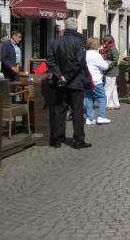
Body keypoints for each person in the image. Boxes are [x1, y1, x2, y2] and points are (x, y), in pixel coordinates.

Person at [47, 17, 92, 149]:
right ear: (76, 28)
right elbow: (79, 63)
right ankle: (78, 140)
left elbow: (50, 61)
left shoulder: (56, 41)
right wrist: (66, 77)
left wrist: (60, 76)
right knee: (77, 111)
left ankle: (57, 138)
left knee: (59, 110)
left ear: (65, 28)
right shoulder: (79, 42)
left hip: (61, 82)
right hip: (75, 82)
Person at [84, 37, 111, 125]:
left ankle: (89, 118)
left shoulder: (85, 53)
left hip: (86, 80)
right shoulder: (96, 55)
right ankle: (101, 117)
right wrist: (108, 63)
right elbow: (105, 66)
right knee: (102, 98)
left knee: (89, 99)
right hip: (95, 80)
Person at [101, 34, 120, 109]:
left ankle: (105, 104)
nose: (104, 43)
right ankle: (114, 104)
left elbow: (116, 59)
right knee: (113, 88)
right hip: (110, 70)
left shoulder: (112, 48)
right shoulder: (109, 48)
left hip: (112, 71)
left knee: (108, 87)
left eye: (105, 41)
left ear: (108, 41)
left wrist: (108, 65)